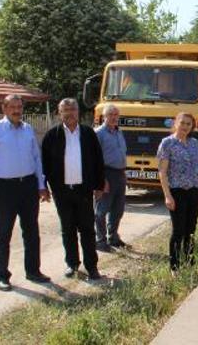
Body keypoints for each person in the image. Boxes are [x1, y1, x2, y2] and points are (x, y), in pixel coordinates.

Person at [0, 94, 51, 291]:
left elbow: (36, 159)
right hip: (4, 188)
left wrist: (41, 185)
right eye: (13, 107)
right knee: (3, 234)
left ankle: (33, 271)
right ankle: (2, 276)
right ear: (4, 108)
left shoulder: (28, 130)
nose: (17, 110)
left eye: (19, 106)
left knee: (32, 232)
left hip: (27, 186)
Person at [41, 98, 105, 280]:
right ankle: (72, 263)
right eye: (65, 110)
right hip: (62, 191)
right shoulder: (51, 136)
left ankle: (92, 266)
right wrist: (43, 187)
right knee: (67, 228)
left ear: (78, 112)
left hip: (83, 190)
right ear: (59, 113)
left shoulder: (88, 134)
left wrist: (99, 185)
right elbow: (44, 164)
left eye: (72, 109)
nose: (69, 113)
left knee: (87, 229)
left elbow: (98, 160)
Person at [157, 112, 198, 271]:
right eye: (182, 123)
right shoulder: (167, 143)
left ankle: (190, 262)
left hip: (194, 190)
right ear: (176, 123)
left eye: (188, 124)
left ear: (192, 127)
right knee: (178, 230)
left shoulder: (194, 143)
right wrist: (167, 196)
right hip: (177, 191)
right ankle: (174, 266)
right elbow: (162, 172)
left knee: (191, 229)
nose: (185, 126)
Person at [94, 104, 128, 252]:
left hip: (120, 174)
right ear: (104, 116)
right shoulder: (99, 134)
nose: (114, 117)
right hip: (106, 174)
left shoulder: (119, 132)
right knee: (102, 210)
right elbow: (94, 159)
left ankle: (113, 237)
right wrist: (101, 179)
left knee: (118, 209)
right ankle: (100, 240)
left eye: (116, 114)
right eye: (111, 114)